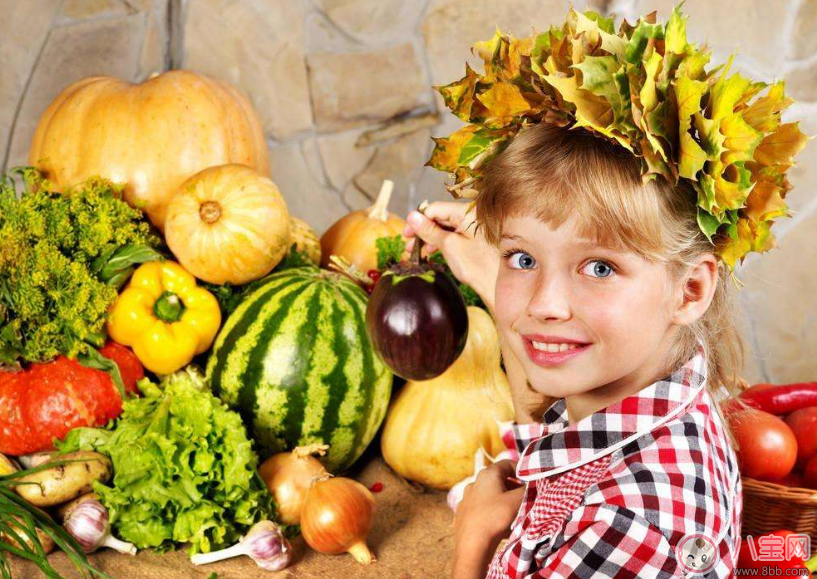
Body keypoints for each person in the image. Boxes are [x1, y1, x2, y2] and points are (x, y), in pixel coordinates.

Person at [407, 6, 808, 578]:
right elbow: (551, 417)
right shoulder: (636, 391)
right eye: (522, 258)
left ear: (689, 289)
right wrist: (490, 275)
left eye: (598, 268)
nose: (544, 304)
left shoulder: (634, 524)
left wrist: (471, 540)